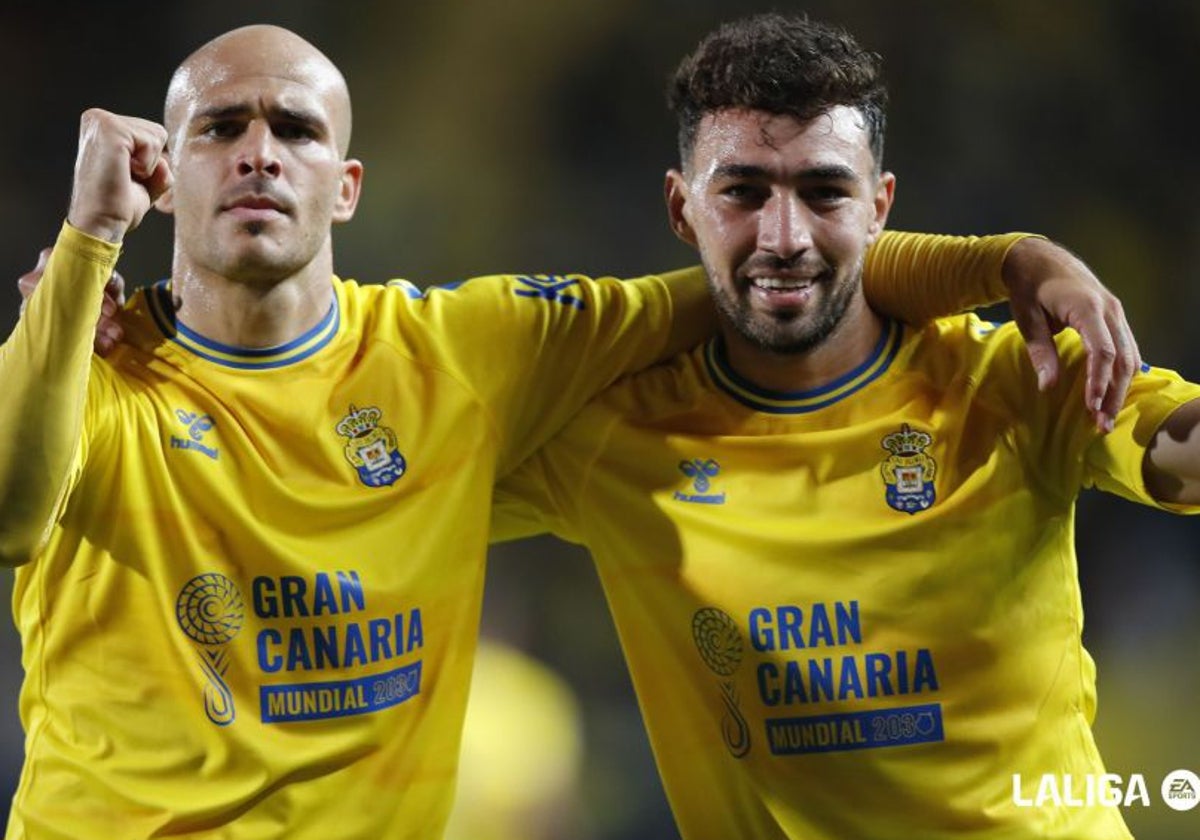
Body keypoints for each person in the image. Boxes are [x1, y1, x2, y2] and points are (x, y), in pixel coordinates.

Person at [0, 21, 1139, 840]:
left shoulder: (471, 354)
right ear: (167, 170)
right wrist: (87, 241)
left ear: (344, 186)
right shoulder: (87, 358)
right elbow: (8, 515)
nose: (258, 151)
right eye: (221, 128)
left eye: (292, 127)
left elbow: (755, 274)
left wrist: (1007, 260)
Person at [490, 13, 1195, 840]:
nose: (784, 238)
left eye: (825, 192)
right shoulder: (611, 437)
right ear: (682, 209)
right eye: (743, 191)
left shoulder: (1014, 380)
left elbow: (1174, 448)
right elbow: (375, 490)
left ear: (879, 206)